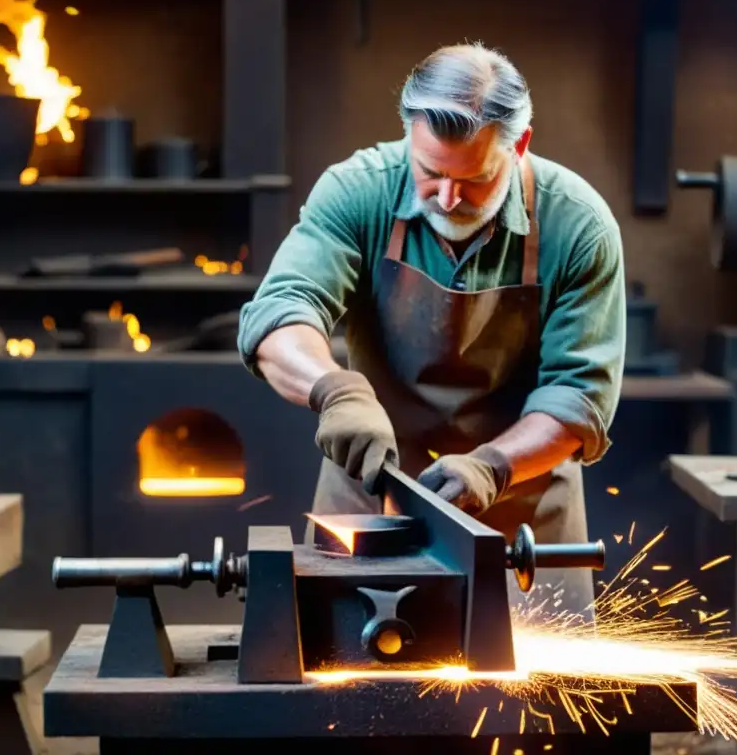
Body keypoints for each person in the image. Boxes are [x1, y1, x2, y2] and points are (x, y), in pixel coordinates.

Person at [238, 42, 625, 617]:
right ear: (408, 134)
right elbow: (281, 313)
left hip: (520, 503)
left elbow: (579, 398)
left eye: (472, 179)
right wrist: (334, 390)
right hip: (372, 496)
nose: (446, 198)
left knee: (540, 700)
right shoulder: (358, 192)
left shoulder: (578, 224)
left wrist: (491, 467)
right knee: (345, 689)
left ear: (519, 144)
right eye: (429, 172)